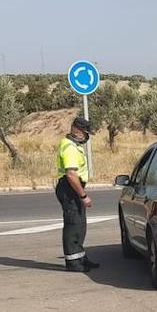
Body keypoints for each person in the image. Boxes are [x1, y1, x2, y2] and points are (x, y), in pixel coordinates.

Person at [55, 117, 98, 273]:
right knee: (73, 225)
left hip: (73, 188)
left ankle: (80, 257)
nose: (87, 137)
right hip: (69, 189)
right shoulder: (70, 147)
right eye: (86, 133)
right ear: (77, 131)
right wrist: (83, 196)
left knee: (80, 225)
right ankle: (73, 262)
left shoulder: (74, 145)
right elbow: (71, 174)